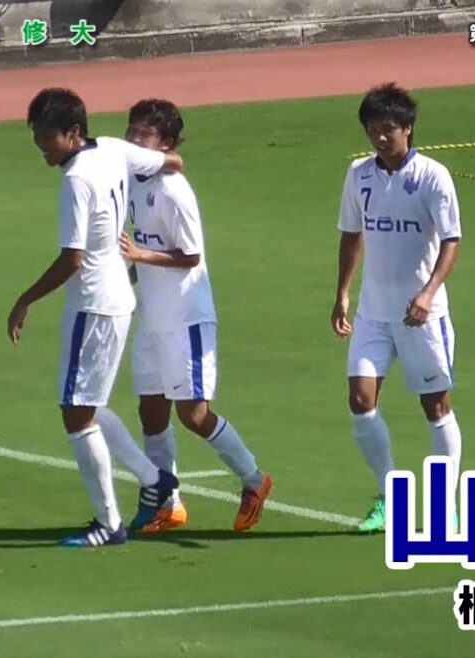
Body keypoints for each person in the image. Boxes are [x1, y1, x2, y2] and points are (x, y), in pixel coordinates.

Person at [8, 87, 180, 547]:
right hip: (112, 297)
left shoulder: (77, 179)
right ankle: (155, 479)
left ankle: (109, 522)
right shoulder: (113, 149)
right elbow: (172, 162)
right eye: (36, 136)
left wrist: (25, 299)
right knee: (87, 404)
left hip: (94, 303)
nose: (41, 147)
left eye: (47, 137)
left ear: (73, 132)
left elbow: (73, 258)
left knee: (77, 415)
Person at [117, 98, 272, 534]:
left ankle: (254, 479)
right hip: (152, 318)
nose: (134, 139)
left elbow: (190, 255)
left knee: (194, 414)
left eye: (144, 134)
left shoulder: (173, 190)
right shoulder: (134, 182)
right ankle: (167, 500)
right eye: (132, 130)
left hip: (186, 319)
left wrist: (138, 255)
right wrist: (126, 274)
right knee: (151, 411)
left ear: (166, 143)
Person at [331, 82, 464, 534]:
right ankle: (391, 497)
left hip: (422, 317)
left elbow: (451, 242)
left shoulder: (432, 177)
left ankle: (445, 506)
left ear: (408, 128)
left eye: (388, 128)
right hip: (373, 315)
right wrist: (343, 292)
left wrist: (428, 294)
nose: (380, 137)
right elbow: (351, 234)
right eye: (372, 129)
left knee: (435, 406)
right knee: (360, 400)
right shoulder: (358, 176)